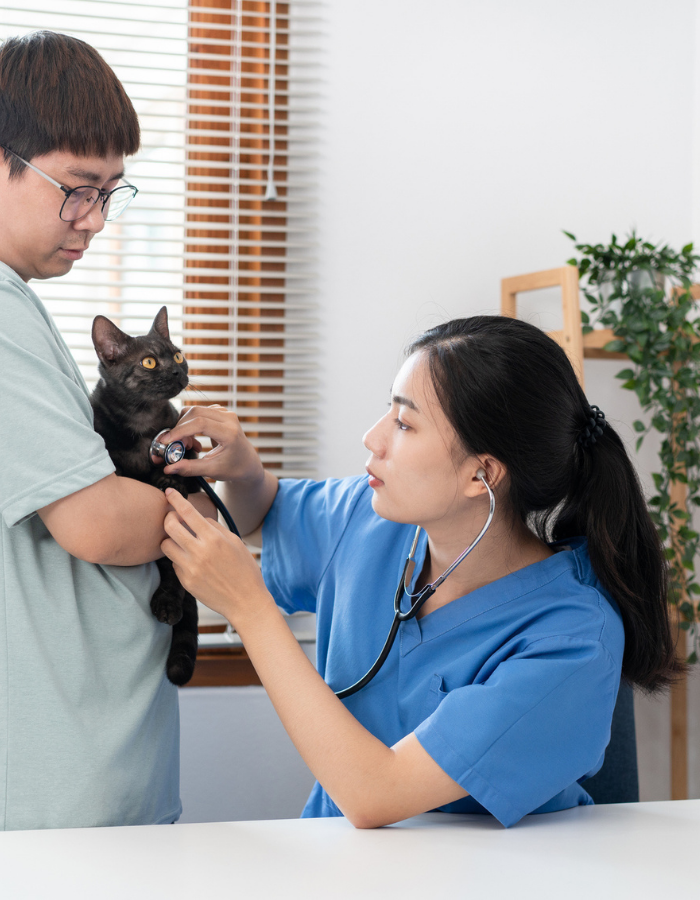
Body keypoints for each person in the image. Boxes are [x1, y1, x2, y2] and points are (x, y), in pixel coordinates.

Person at [158, 316, 680, 830]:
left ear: (482, 473)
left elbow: (375, 794)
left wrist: (251, 611)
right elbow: (266, 514)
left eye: (404, 424)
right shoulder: (370, 518)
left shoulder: (572, 639)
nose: (372, 438)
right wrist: (247, 471)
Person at [0, 30, 212, 831]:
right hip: (65, 778)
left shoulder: (22, 306)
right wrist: (209, 515)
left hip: (87, 758)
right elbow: (93, 520)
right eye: (76, 187)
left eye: (111, 193)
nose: (93, 219)